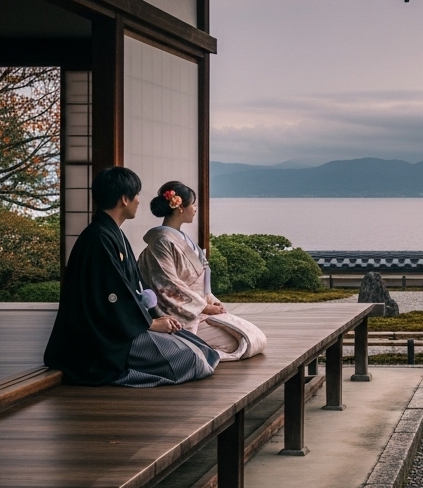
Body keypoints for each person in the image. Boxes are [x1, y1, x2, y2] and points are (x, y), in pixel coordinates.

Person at [43, 166, 220, 387]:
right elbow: (112, 297)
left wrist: (155, 317)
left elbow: (136, 287)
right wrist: (149, 324)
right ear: (124, 199)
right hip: (105, 338)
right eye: (136, 195)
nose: (139, 201)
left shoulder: (112, 233)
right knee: (191, 359)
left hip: (127, 325)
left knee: (203, 349)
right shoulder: (98, 239)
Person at [137, 181, 266, 360]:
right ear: (180, 207)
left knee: (254, 335)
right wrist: (204, 307)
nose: (195, 209)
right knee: (240, 342)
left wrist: (211, 302)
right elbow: (166, 284)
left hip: (198, 308)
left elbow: (200, 280)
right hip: (182, 315)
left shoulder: (179, 237)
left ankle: (198, 351)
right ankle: (190, 352)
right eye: (193, 204)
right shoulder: (162, 240)